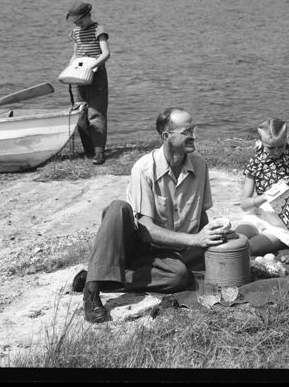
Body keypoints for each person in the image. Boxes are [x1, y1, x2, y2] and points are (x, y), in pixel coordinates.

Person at [71, 106, 231, 323]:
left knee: (180, 276)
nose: (194, 135)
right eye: (187, 132)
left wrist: (209, 239)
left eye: (194, 129)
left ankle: (108, 276)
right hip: (139, 246)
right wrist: (195, 239)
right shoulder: (144, 169)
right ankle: (92, 290)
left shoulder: (200, 165)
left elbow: (201, 216)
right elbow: (147, 232)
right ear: (166, 136)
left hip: (172, 253)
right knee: (118, 207)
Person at [233, 119, 289, 256]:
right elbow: (245, 205)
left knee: (249, 248)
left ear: (286, 140)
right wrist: (265, 197)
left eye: (280, 146)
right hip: (260, 216)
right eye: (270, 148)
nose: (276, 152)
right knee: (235, 240)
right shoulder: (256, 163)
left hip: (284, 224)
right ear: (261, 142)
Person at [65, 0, 111, 165]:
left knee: (96, 113)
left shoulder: (99, 30)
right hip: (79, 76)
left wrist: (92, 66)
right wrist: (71, 69)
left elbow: (105, 54)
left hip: (96, 75)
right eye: (75, 22)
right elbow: (75, 54)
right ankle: (88, 150)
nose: (77, 24)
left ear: (88, 15)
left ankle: (99, 152)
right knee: (81, 113)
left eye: (80, 20)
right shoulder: (76, 32)